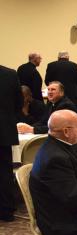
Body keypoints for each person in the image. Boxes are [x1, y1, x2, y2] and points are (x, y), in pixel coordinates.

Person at [0, 65, 23, 222]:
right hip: (4, 130)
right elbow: (19, 102)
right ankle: (6, 210)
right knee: (4, 172)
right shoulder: (10, 74)